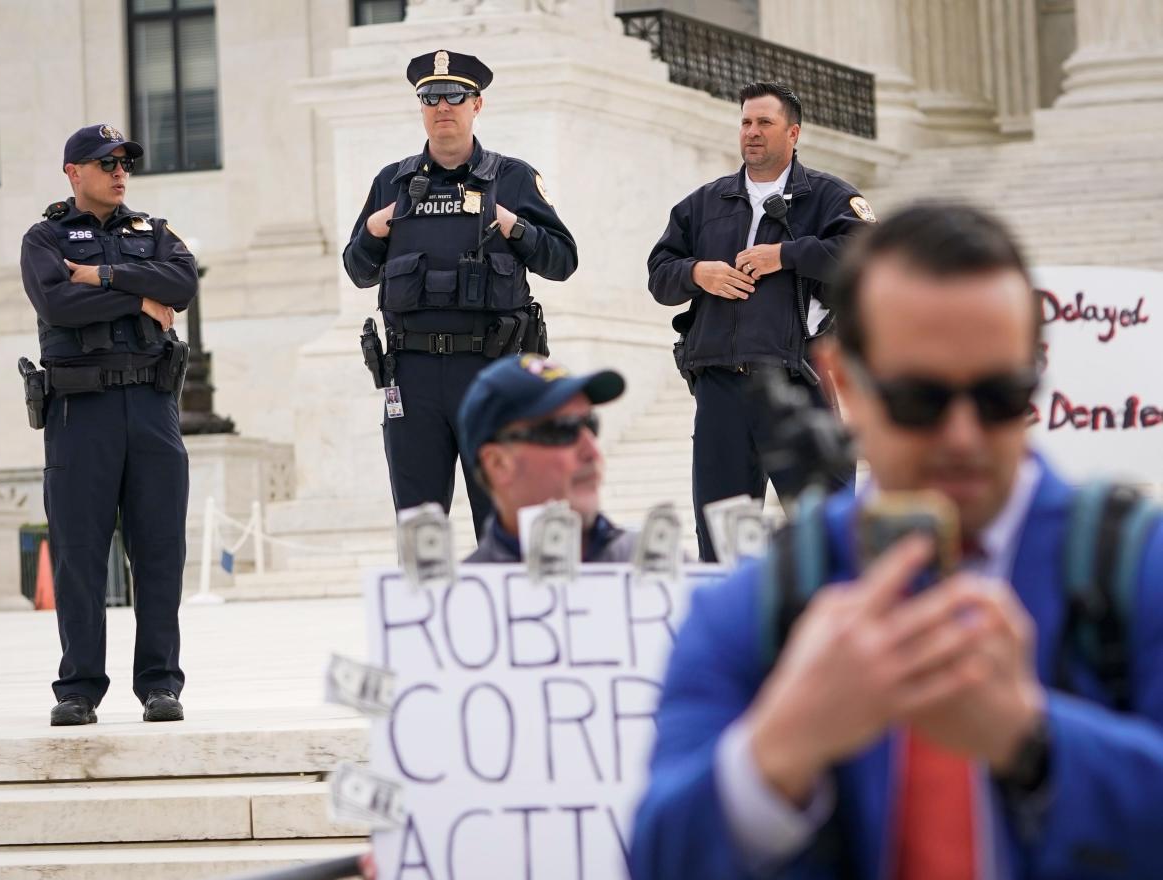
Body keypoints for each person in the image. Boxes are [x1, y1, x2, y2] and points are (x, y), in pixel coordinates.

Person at [630, 203, 1163, 880]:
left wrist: (1035, 743)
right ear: (844, 381)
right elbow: (661, 865)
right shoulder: (764, 598)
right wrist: (781, 746)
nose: (964, 436)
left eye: (1002, 395)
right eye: (921, 398)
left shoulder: (1136, 568)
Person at [343, 50, 577, 539]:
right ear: (420, 107)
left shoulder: (512, 178)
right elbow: (358, 270)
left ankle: (507, 616)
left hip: (490, 372)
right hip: (411, 375)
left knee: (503, 524)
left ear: (478, 104)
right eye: (430, 96)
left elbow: (562, 261)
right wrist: (371, 229)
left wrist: (516, 228)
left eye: (455, 95)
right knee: (420, 527)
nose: (442, 105)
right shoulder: (393, 181)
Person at [647, 82, 870, 561]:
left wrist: (786, 255)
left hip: (797, 383)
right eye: (746, 122)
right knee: (723, 543)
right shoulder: (703, 204)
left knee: (828, 538)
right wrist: (696, 272)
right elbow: (659, 276)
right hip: (720, 391)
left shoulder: (829, 197)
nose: (752, 132)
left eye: (764, 123)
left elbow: (867, 257)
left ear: (793, 133)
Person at [20, 124, 197, 726]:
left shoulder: (157, 233)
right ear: (73, 172)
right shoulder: (44, 238)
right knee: (79, 556)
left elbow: (182, 284)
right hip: (79, 412)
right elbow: (56, 305)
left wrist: (104, 277)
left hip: (152, 408)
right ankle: (78, 690)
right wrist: (139, 299)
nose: (120, 172)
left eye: (125, 162)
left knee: (159, 552)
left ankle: (159, 684)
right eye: (105, 163)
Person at [456, 353, 637, 562]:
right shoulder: (458, 593)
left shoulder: (667, 576)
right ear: (498, 463)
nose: (592, 452)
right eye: (563, 429)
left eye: (590, 424)